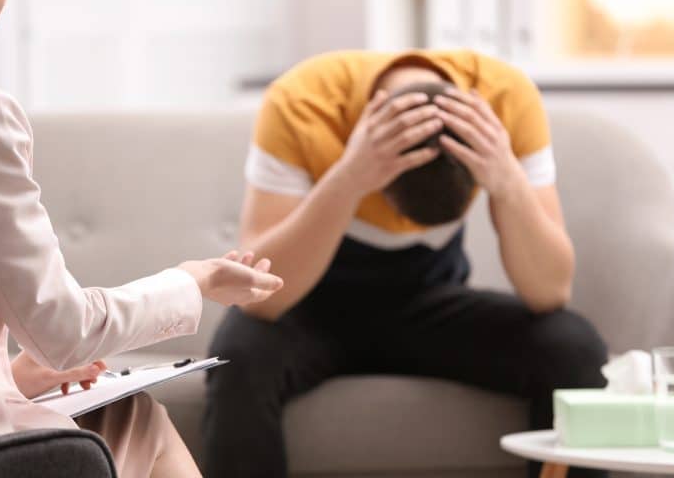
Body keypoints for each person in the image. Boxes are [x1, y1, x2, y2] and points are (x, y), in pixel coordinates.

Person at [0, 0, 283, 477]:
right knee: (140, 420)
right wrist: (197, 280)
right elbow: (63, 328)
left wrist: (7, 378)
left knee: (122, 417)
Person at [204, 50, 608, 478]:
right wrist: (350, 177)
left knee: (573, 346)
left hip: (431, 305)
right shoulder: (302, 101)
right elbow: (260, 298)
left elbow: (550, 292)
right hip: (310, 309)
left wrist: (506, 179)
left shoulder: (506, 100)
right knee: (240, 352)